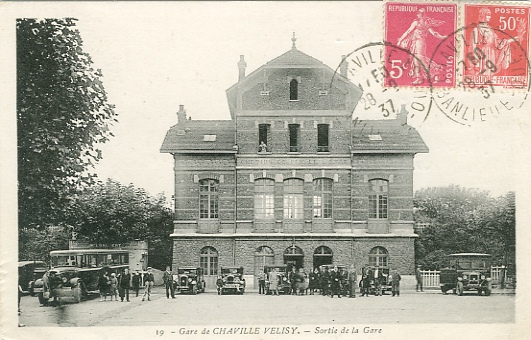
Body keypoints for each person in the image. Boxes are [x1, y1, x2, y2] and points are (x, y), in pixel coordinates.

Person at [397, 8, 447, 85]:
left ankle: (436, 73)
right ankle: (418, 78)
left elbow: (434, 33)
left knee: (422, 60)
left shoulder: (424, 23)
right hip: (415, 42)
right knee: (415, 61)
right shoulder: (416, 22)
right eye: (417, 13)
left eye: (418, 13)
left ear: (422, 14)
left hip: (420, 42)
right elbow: (408, 32)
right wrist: (400, 39)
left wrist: (442, 37)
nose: (417, 15)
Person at [471, 7, 524, 76]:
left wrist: (513, 39)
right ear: (483, 15)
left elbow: (499, 44)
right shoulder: (476, 29)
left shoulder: (491, 30)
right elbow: (474, 47)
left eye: (489, 15)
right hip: (482, 54)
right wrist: (476, 63)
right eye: (487, 15)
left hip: (492, 54)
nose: (490, 17)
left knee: (490, 76)